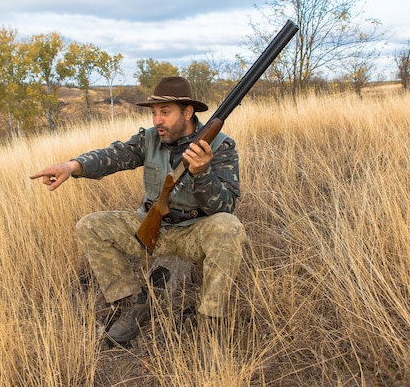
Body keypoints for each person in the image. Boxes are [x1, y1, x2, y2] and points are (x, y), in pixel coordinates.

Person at [30, 76, 248, 344]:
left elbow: (226, 206)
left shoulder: (221, 146)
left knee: (229, 227)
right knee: (89, 225)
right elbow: (112, 157)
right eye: (155, 112)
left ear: (188, 112)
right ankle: (135, 302)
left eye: (165, 112)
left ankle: (211, 325)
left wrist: (202, 174)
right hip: (150, 227)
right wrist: (71, 167)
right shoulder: (149, 139)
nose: (157, 120)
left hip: (194, 233)